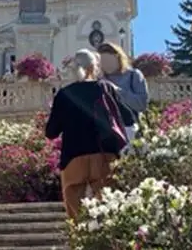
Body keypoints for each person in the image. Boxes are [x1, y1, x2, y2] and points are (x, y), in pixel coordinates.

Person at [46, 49, 130, 220]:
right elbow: (127, 118)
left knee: (75, 213)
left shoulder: (65, 94)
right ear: (94, 67)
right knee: (108, 210)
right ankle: (104, 244)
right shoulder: (106, 88)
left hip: (74, 157)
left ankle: (79, 243)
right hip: (104, 155)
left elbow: (51, 132)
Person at [96, 42, 149, 143]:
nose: (105, 65)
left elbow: (141, 105)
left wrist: (117, 91)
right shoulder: (99, 80)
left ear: (118, 58)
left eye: (108, 60)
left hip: (130, 132)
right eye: (102, 62)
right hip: (105, 135)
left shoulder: (134, 75)